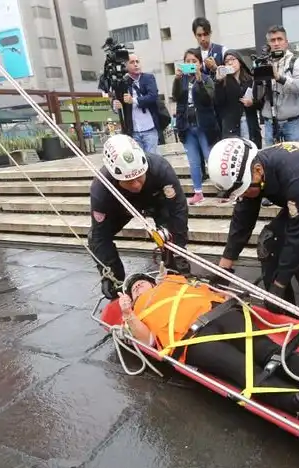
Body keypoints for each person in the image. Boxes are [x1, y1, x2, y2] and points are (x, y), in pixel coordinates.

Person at [117, 273, 299, 415]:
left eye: (141, 281)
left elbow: (210, 289)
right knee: (243, 370)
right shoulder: (136, 312)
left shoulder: (173, 281)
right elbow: (148, 341)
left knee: (269, 351)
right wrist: (128, 313)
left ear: (153, 281)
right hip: (191, 340)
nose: (137, 285)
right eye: (133, 287)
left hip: (220, 313)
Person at [207, 138, 299, 319]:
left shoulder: (298, 174)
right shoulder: (251, 172)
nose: (245, 195)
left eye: (245, 190)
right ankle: (283, 310)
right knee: (269, 243)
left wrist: (280, 283)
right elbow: (242, 220)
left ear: (258, 171)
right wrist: (223, 270)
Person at [89, 134, 191, 297]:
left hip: (155, 201)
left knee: (170, 236)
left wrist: (179, 249)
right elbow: (100, 235)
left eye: (139, 178)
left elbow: (178, 211)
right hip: (120, 207)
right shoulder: (101, 189)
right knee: (95, 238)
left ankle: (174, 272)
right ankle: (116, 282)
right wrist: (108, 273)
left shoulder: (160, 168)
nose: (136, 185)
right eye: (129, 181)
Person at [172, 48, 220, 205]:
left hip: (204, 126)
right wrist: (177, 79)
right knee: (193, 161)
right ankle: (198, 192)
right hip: (187, 126)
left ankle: (222, 188)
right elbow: (176, 97)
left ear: (200, 63)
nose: (191, 64)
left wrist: (199, 81)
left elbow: (209, 99)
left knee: (210, 157)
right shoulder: (182, 80)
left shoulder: (206, 79)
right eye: (188, 62)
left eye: (194, 61)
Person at [254, 26, 299, 144]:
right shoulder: (263, 62)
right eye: (272, 40)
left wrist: (279, 78)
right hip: (270, 122)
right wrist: (259, 80)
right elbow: (257, 96)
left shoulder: (296, 61)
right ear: (268, 44)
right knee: (271, 160)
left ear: (286, 42)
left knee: (294, 158)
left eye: (280, 39)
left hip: (292, 122)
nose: (276, 43)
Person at [111, 54, 162, 154]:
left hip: (150, 129)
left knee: (152, 160)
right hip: (133, 132)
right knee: (139, 162)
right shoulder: (122, 82)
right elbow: (116, 100)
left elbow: (153, 96)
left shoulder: (148, 78)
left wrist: (134, 100)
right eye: (132, 62)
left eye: (137, 62)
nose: (136, 64)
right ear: (125, 66)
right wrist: (115, 105)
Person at [214, 50, 262, 146]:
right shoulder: (223, 81)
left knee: (251, 151)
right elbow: (218, 102)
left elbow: (260, 102)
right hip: (232, 126)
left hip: (249, 122)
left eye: (233, 59)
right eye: (227, 61)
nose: (230, 63)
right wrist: (219, 82)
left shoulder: (250, 79)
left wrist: (252, 102)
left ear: (239, 61)